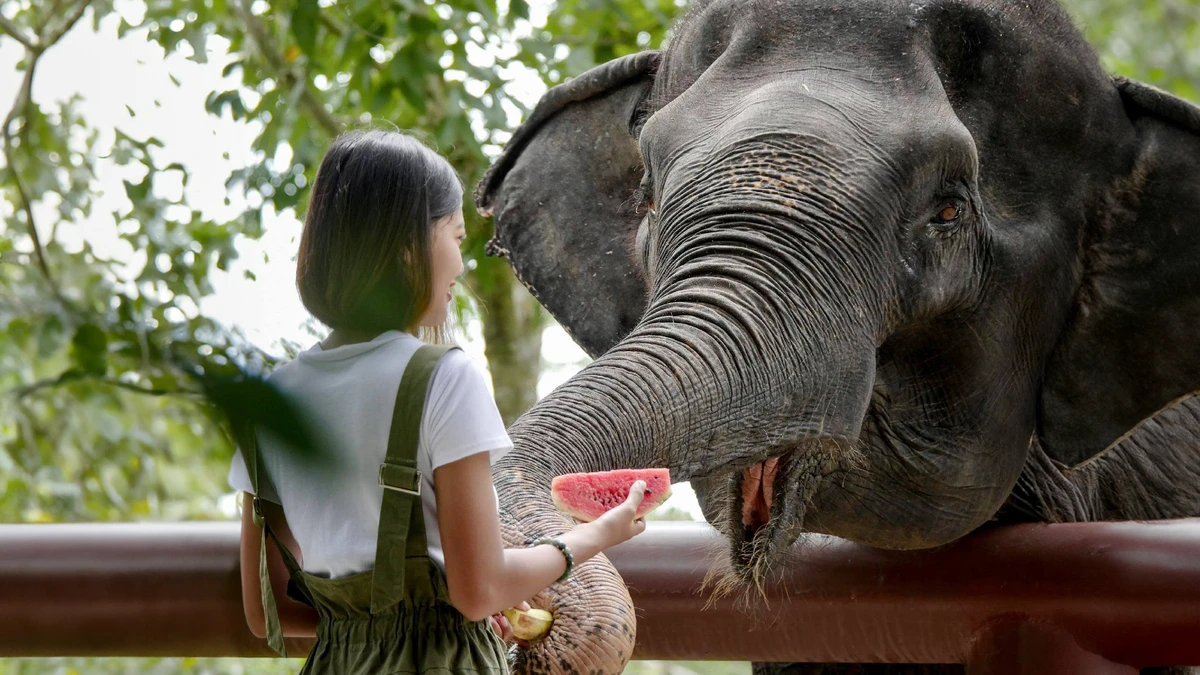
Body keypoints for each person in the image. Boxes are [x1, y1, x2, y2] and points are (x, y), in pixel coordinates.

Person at [227, 129, 648, 674]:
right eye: (454, 235)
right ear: (408, 249)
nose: (462, 265)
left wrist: (367, 637)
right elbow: (480, 591)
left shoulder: (270, 401)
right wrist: (594, 536)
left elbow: (269, 613)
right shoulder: (443, 379)